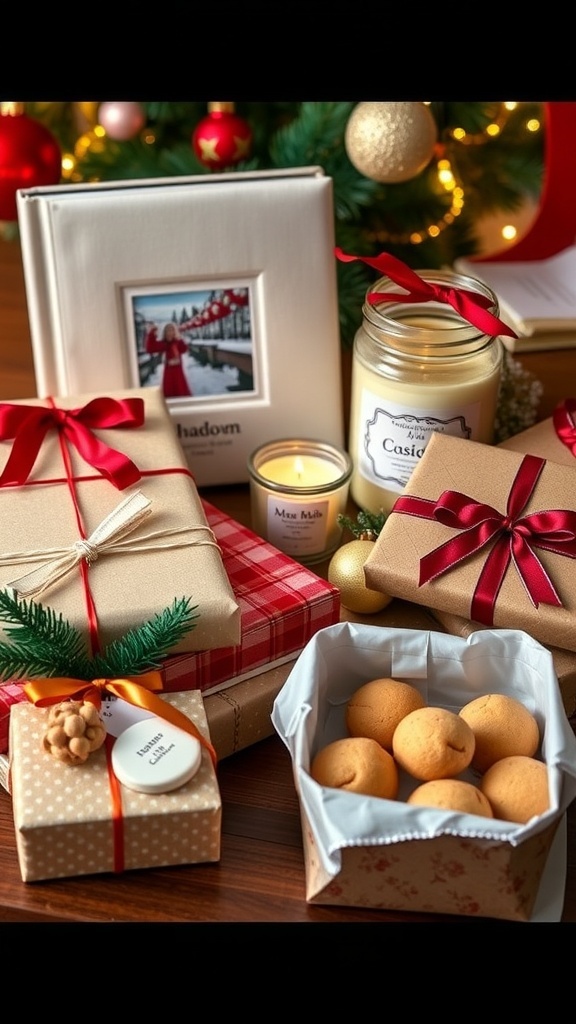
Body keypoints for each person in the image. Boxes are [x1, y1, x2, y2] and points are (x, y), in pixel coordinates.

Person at [144, 321, 192, 397]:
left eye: (172, 330)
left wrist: (180, 340)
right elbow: (150, 349)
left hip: (179, 373)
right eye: (167, 331)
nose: (170, 333)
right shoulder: (164, 344)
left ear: (174, 332)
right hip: (168, 374)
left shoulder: (178, 342)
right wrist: (151, 333)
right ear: (164, 333)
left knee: (181, 392)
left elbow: (184, 349)